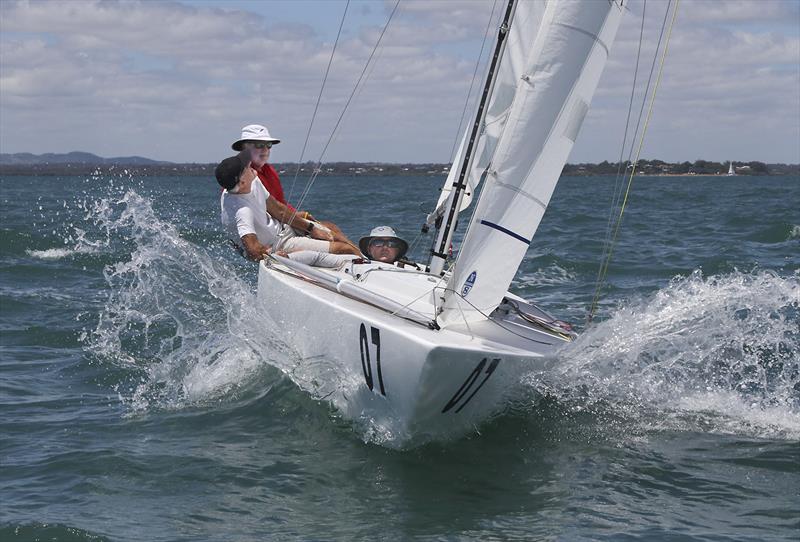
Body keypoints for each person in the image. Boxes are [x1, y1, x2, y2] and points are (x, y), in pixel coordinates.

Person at [217, 150, 360, 261]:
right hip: (280, 244)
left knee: (332, 229)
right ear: (242, 183)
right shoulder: (242, 211)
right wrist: (272, 256)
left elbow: (278, 210)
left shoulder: (252, 181)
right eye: (246, 168)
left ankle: (365, 259)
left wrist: (311, 229)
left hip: (282, 227)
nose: (251, 166)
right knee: (344, 249)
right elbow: (252, 250)